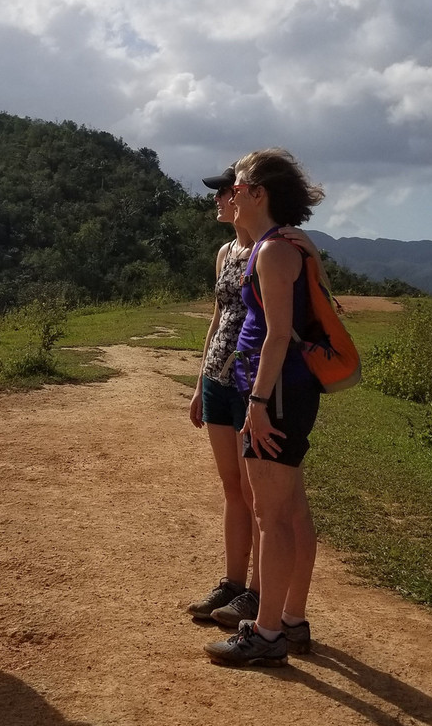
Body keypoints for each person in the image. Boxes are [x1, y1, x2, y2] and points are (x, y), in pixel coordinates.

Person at [204, 148, 326, 667]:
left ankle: (269, 632)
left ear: (258, 194)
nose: (230, 189)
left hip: (272, 391)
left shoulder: (275, 251)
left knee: (272, 517)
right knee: (289, 512)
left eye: (239, 182)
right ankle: (291, 621)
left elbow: (277, 335)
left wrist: (255, 401)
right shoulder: (275, 247)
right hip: (278, 389)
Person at [186, 165, 260, 622]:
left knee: (255, 492)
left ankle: (255, 591)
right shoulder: (225, 251)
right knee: (232, 488)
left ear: (244, 197)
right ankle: (233, 583)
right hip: (217, 379)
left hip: (250, 383)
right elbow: (217, 319)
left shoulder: (268, 250)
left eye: (223, 192)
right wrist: (199, 383)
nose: (217, 200)